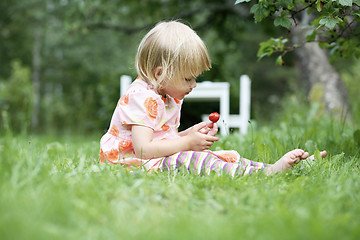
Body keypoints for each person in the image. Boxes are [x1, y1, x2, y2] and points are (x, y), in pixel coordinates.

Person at [99, 20, 326, 177]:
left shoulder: (165, 93)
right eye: (188, 78)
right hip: (131, 165)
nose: (193, 85)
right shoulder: (142, 97)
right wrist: (187, 144)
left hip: (151, 158)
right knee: (197, 160)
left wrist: (190, 134)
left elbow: (162, 138)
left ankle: (273, 168)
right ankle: (268, 172)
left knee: (222, 156)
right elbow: (142, 149)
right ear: (160, 74)